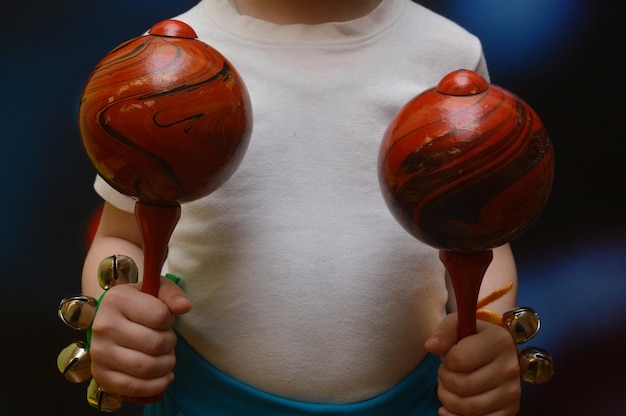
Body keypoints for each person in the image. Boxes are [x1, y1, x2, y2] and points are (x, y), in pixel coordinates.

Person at [82, 0, 522, 414]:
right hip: (202, 399)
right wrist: (116, 310)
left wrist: (486, 332)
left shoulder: (449, 53)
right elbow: (122, 237)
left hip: (413, 400)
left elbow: (480, 239)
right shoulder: (163, 59)